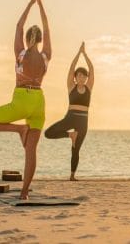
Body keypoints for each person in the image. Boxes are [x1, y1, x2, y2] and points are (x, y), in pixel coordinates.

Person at [0, 0, 51, 200]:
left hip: (22, 100)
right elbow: (47, 27)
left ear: (27, 38)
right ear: (41, 39)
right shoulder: (46, 55)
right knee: (31, 152)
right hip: (39, 103)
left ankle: (18, 129)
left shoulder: (21, 53)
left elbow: (18, 25)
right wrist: (42, 5)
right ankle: (24, 193)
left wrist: (30, 3)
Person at [44, 41, 94, 181]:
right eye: (79, 76)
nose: (82, 78)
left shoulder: (89, 87)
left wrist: (85, 54)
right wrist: (79, 53)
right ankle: (69, 135)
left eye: (84, 76)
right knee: (48, 133)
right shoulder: (71, 86)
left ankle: (72, 175)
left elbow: (92, 69)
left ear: (86, 78)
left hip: (83, 121)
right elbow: (72, 67)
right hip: (70, 117)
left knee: (76, 149)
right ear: (75, 77)